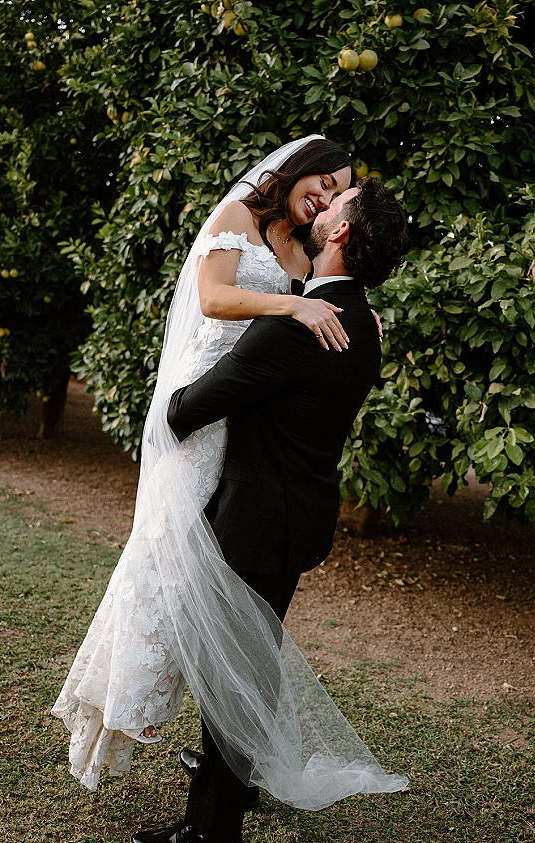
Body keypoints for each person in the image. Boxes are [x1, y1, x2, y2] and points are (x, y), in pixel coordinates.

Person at [51, 136, 357, 786]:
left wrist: (345, 307)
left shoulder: (300, 249)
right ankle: (123, 708)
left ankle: (221, 754)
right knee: (164, 558)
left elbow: (312, 321)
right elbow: (216, 298)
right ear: (297, 169)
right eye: (323, 184)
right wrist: (294, 302)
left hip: (246, 425)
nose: (324, 200)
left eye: (336, 195)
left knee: (220, 584)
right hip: (198, 413)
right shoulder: (236, 219)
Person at [130, 176, 411, 843]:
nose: (323, 207)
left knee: (236, 674)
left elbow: (187, 408)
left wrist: (197, 354)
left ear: (340, 234)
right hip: (297, 516)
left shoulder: (295, 329)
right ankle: (236, 778)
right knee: (247, 659)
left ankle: (214, 832)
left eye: (338, 206)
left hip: (257, 520)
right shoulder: (364, 322)